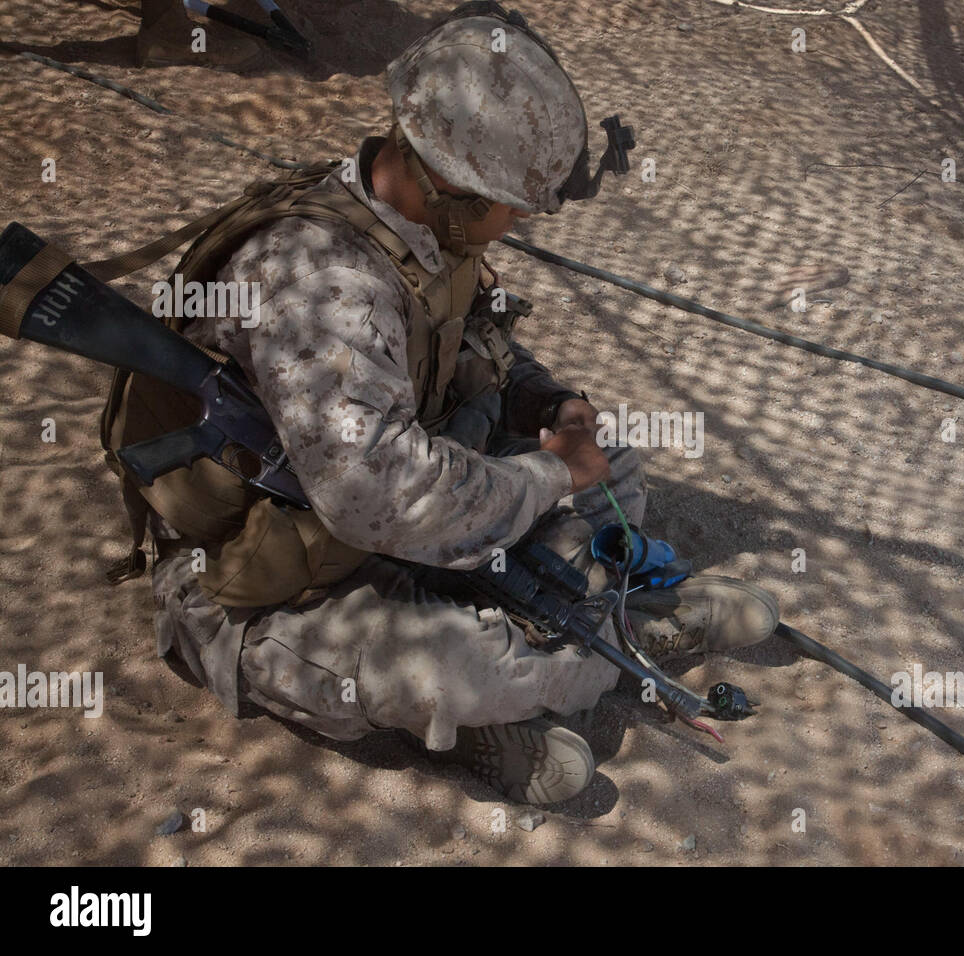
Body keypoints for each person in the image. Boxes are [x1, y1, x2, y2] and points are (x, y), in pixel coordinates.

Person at [147, 2, 779, 806]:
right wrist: (550, 477)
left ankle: (566, 643)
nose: (516, 224)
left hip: (384, 505)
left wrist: (550, 401)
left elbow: (476, 339)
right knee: (454, 667)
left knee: (614, 466)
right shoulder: (321, 286)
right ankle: (577, 663)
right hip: (269, 572)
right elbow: (377, 493)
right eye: (509, 203)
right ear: (449, 183)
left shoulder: (418, 224)